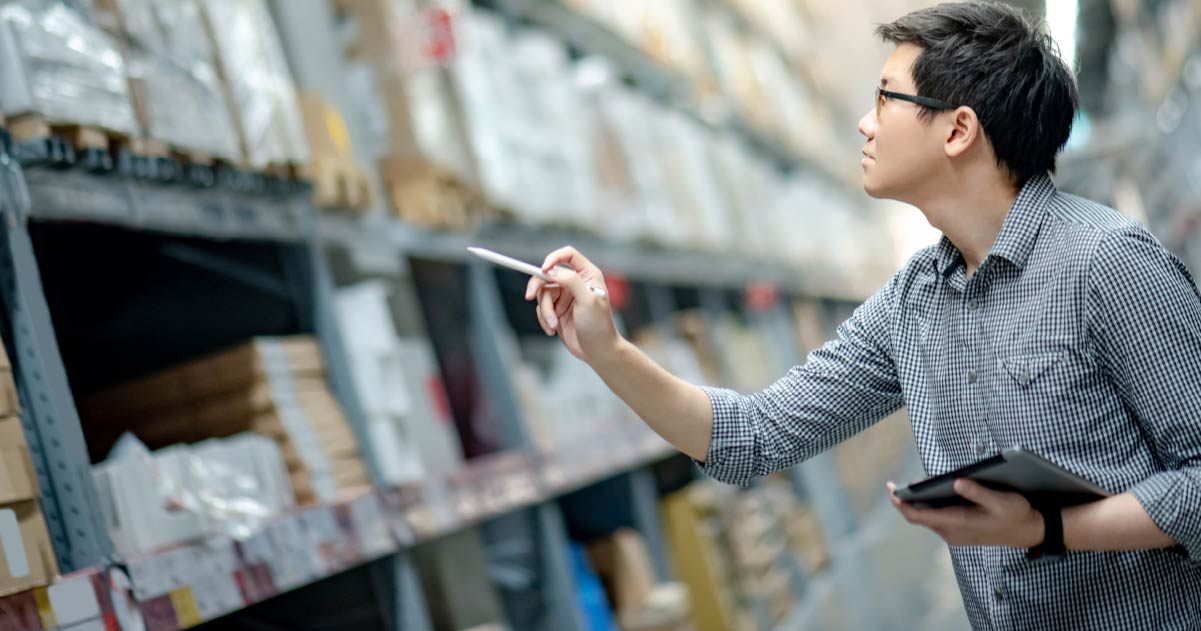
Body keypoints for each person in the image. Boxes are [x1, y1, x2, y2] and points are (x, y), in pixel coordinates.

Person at [526, 1, 1201, 628]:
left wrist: (1048, 528)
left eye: (886, 98)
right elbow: (752, 436)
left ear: (957, 129)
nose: (864, 121)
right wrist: (609, 351)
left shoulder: (1108, 263)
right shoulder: (912, 302)